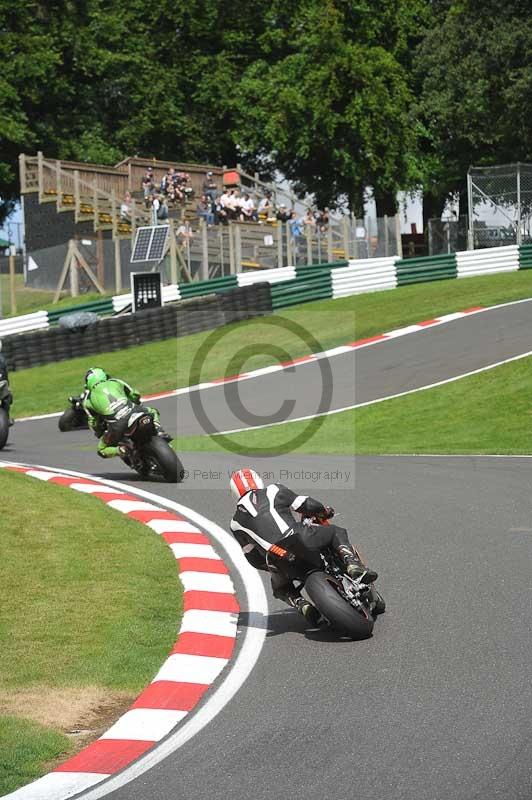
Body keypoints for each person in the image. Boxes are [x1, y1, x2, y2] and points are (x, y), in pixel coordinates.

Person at [229, 468, 378, 626]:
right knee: (335, 531)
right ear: (258, 481)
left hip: (276, 557)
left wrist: (270, 565)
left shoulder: (235, 523)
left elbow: (252, 558)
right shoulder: (274, 490)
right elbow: (307, 504)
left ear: (234, 493)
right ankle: (352, 563)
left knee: (280, 588)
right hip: (299, 537)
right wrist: (324, 511)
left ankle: (301, 604)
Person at [82, 368, 170, 459]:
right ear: (104, 376)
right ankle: (160, 432)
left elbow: (93, 423)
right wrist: (135, 403)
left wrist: (99, 432)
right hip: (135, 412)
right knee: (152, 411)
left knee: (101, 450)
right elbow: (135, 394)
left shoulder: (87, 400)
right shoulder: (116, 381)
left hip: (116, 426)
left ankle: (122, 450)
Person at [0, 340, 14, 424]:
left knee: (8, 397)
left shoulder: (2, 359)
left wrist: (8, 386)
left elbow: (5, 375)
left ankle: (5, 418)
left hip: (1, 384)